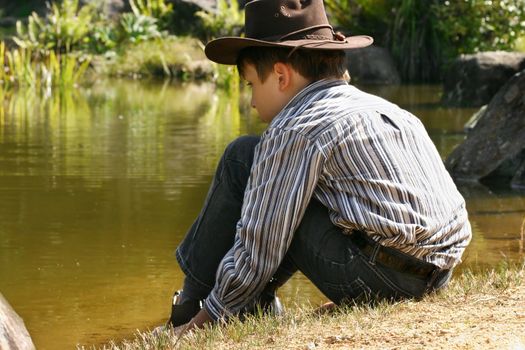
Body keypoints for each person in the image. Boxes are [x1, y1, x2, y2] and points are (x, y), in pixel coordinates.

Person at [164, 0, 472, 335]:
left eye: (252, 85)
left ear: (281, 76)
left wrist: (208, 318)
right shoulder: (392, 111)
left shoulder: (295, 127)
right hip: (437, 275)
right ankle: (248, 304)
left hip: (379, 277)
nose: (251, 102)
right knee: (269, 175)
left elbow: (260, 246)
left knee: (243, 158)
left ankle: (190, 309)